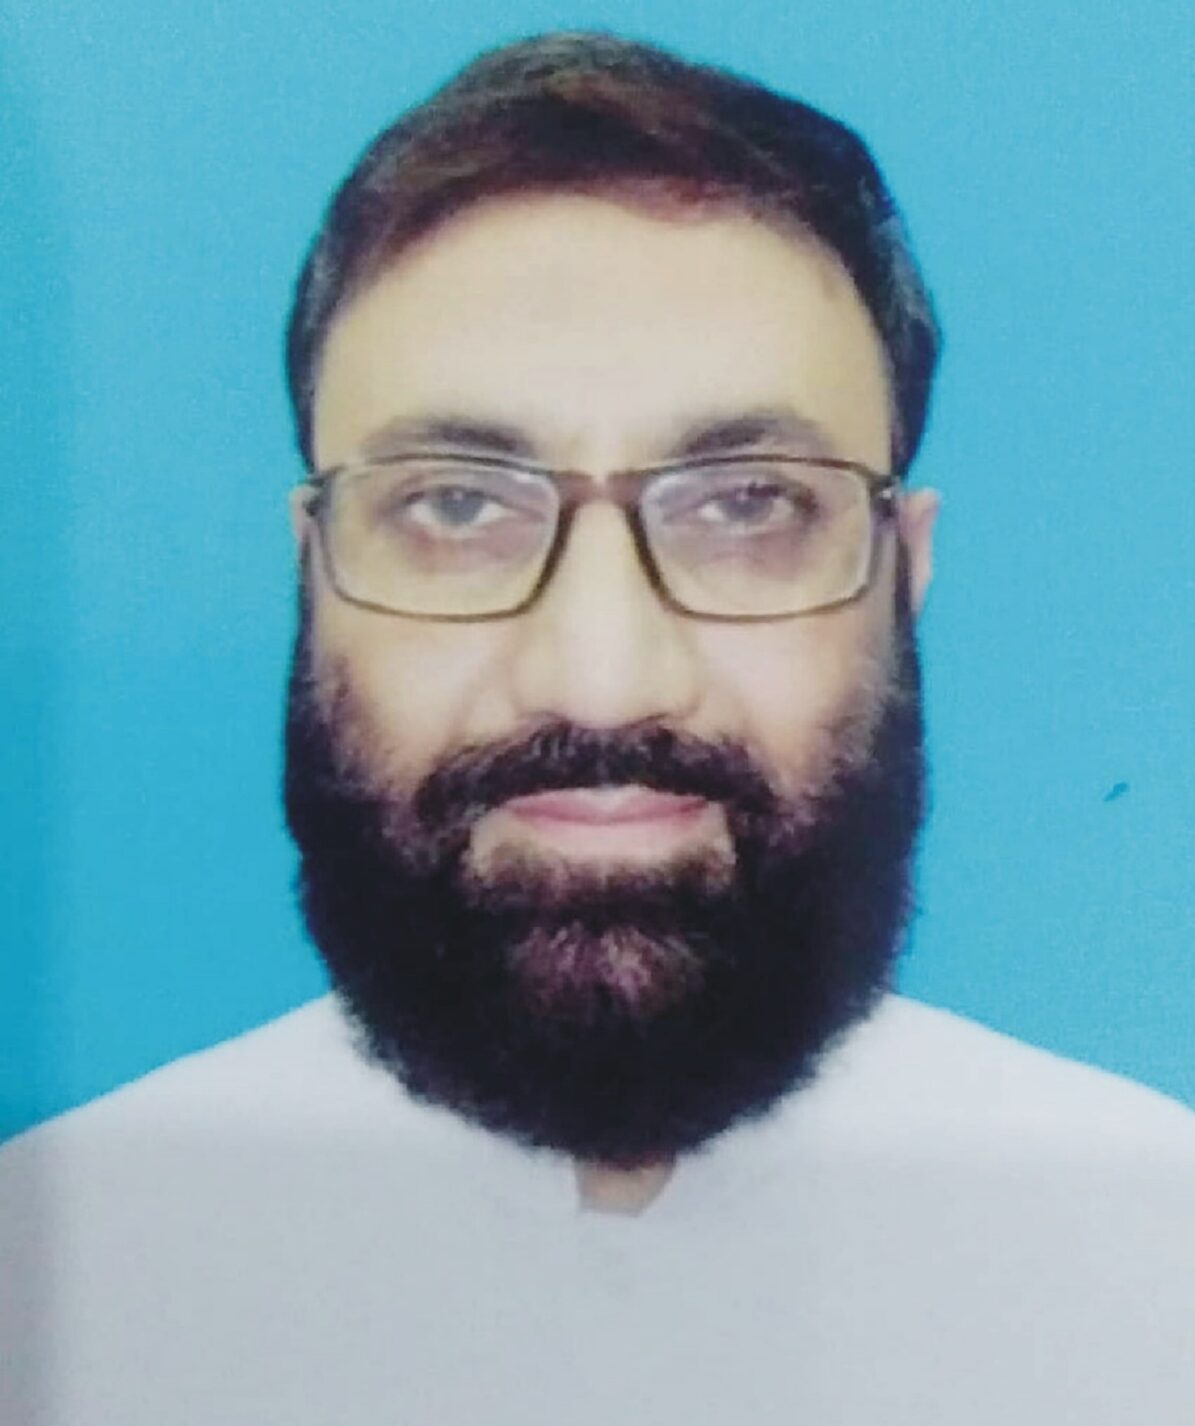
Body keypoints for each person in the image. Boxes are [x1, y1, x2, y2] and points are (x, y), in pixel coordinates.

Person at [2, 31, 1192, 1426]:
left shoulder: (1158, 1270)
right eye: (456, 504)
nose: (604, 678)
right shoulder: (44, 1287)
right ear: (314, 570)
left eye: (749, 503)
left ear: (903, 570)